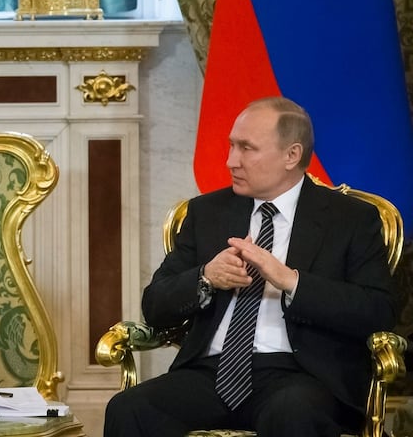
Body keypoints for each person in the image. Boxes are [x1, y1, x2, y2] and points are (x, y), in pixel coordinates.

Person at [104, 97, 395, 437]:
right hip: (211, 372)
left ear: (291, 155)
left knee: (292, 413)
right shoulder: (206, 212)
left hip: (302, 375)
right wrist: (205, 278)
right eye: (232, 146)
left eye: (246, 148)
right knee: (128, 409)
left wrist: (291, 281)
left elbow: (378, 310)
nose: (231, 161)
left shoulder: (350, 219)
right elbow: (154, 306)